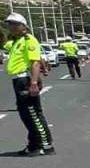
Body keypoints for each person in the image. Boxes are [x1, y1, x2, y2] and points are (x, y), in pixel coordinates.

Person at [5, 13, 54, 156]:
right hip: (18, 80)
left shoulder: (29, 40)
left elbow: (34, 62)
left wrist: (34, 82)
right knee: (25, 114)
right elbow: (3, 42)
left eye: (14, 24)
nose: (11, 27)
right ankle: (33, 145)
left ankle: (46, 145)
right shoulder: (16, 41)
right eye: (9, 24)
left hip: (26, 79)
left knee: (33, 113)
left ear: (23, 26)